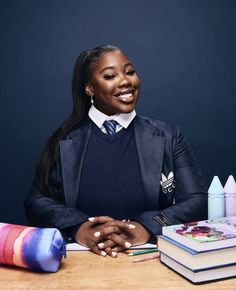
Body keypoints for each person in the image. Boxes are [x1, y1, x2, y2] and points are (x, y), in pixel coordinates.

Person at [24, 44, 208, 258]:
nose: (125, 81)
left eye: (130, 72)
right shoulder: (62, 141)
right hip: (82, 261)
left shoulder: (169, 137)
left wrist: (146, 227)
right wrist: (79, 227)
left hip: (148, 259)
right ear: (89, 88)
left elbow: (197, 200)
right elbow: (36, 202)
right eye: (110, 76)